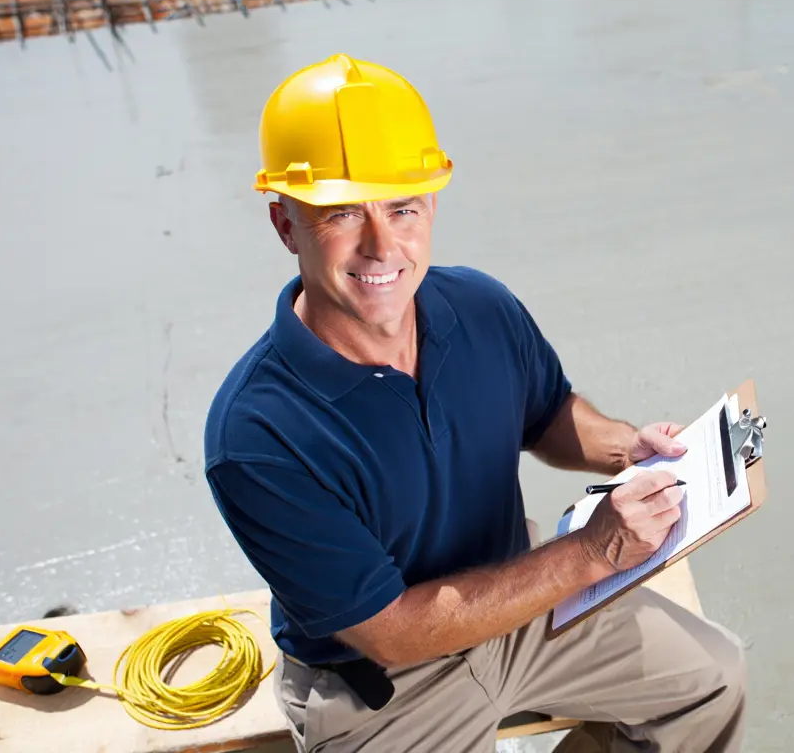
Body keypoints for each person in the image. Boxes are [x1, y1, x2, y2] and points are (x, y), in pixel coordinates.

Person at [201, 54, 747, 752]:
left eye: (403, 208)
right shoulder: (257, 433)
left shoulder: (478, 308)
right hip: (384, 690)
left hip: (526, 608)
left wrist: (623, 444)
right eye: (343, 213)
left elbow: (547, 414)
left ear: (431, 206)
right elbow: (391, 632)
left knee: (712, 681)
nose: (382, 245)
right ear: (286, 225)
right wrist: (593, 550)